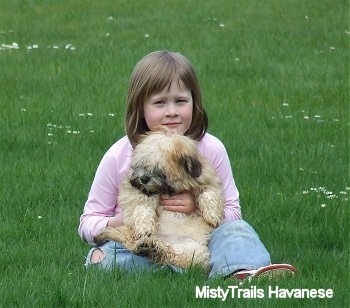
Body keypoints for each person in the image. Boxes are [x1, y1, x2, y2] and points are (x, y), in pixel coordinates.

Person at [78, 50, 296, 280]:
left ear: (194, 101)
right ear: (140, 107)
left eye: (181, 101)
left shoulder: (211, 149)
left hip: (197, 240)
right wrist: (123, 219)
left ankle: (243, 272)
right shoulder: (119, 155)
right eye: (160, 103)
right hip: (144, 247)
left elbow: (233, 213)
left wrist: (197, 207)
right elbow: (88, 223)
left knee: (237, 231)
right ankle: (203, 269)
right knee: (109, 255)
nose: (172, 112)